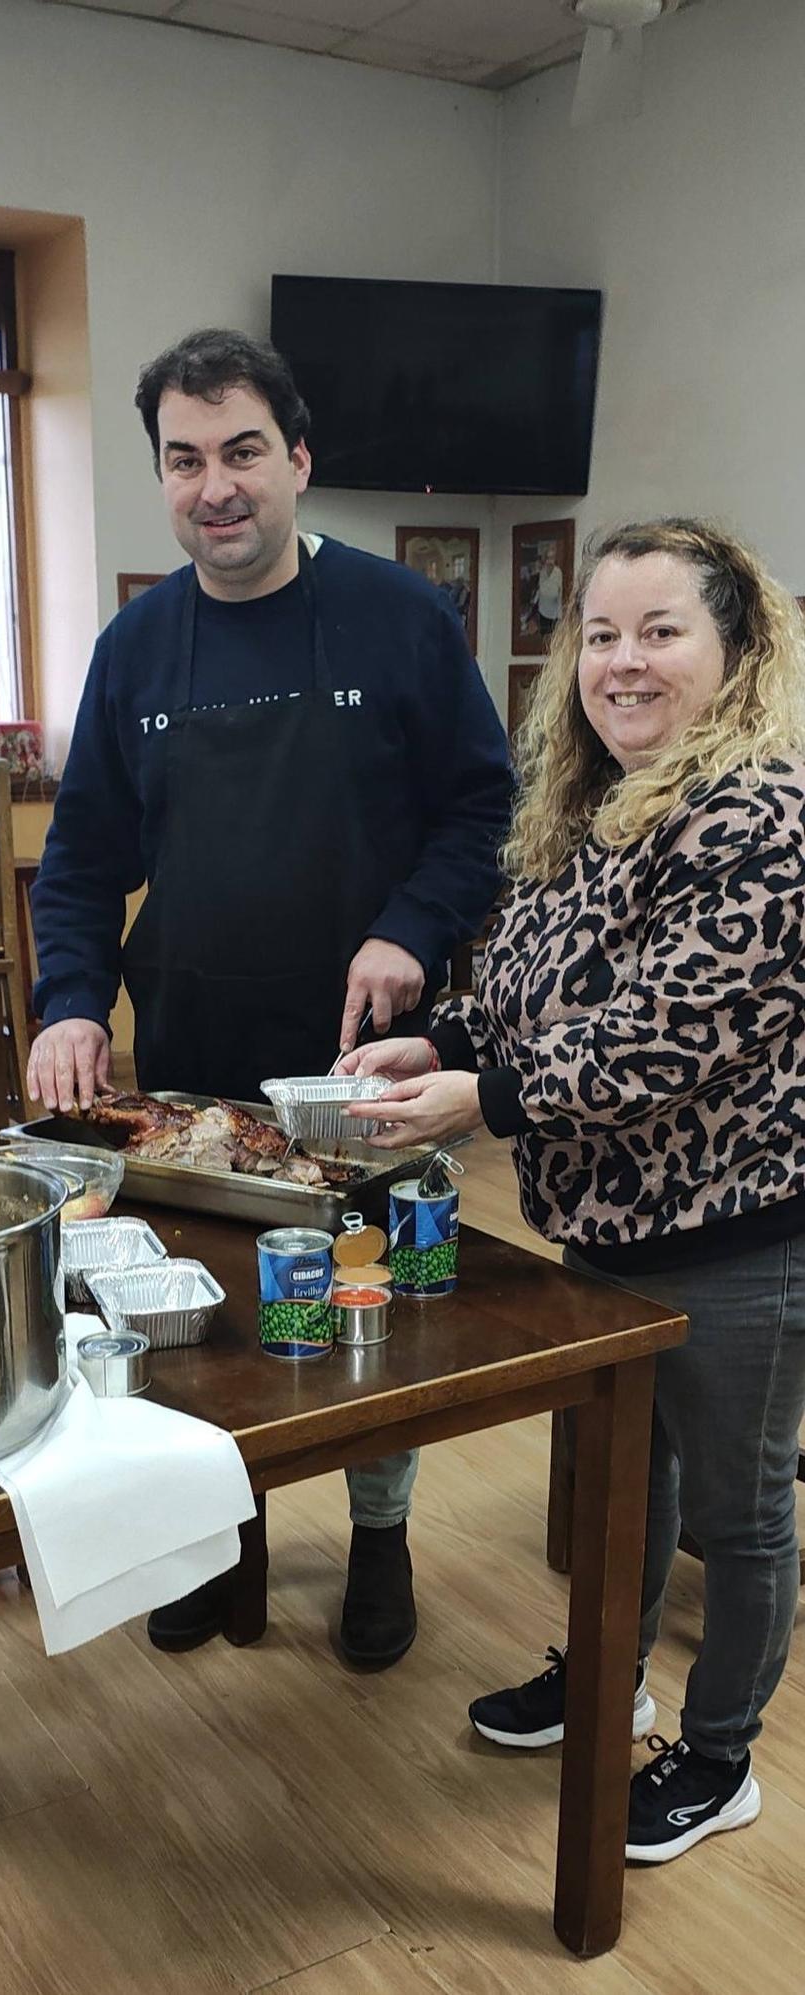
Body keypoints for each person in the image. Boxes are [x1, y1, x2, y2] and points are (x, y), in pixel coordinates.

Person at [28, 328, 512, 1666]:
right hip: (190, 1055)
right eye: (185, 460)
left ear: (298, 459)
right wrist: (72, 1002)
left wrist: (412, 930)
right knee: (199, 1316)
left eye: (242, 451)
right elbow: (82, 860)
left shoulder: (400, 617)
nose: (215, 486)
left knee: (373, 1307)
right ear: (163, 478)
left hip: (369, 1061)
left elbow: (483, 810)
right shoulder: (136, 649)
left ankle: (379, 1535)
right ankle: (212, 1537)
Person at [338, 517, 805, 1858]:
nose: (623, 661)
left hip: (735, 1237)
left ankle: (720, 1756)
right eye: (601, 635)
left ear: (734, 650)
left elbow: (659, 1039)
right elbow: (529, 990)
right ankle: (611, 1673)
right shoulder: (593, 805)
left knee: (739, 1514)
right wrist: (447, 1042)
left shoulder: (762, 817)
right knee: (622, 1482)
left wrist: (480, 1100)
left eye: (662, 631)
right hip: (607, 1226)